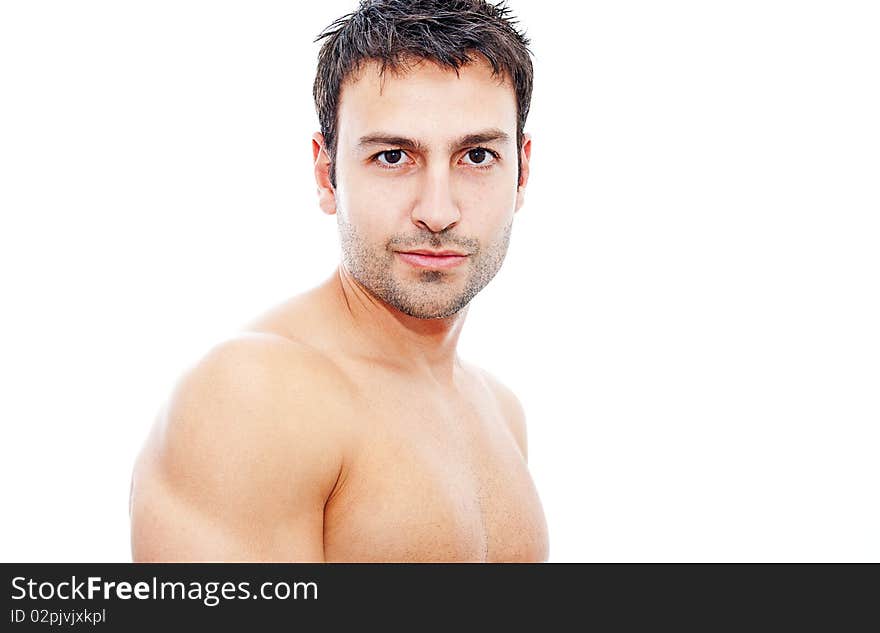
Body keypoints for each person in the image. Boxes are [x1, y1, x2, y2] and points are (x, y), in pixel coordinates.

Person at [130, 0, 548, 562]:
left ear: (521, 170)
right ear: (326, 173)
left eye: (476, 155)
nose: (438, 210)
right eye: (393, 155)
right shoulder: (253, 398)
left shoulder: (500, 412)